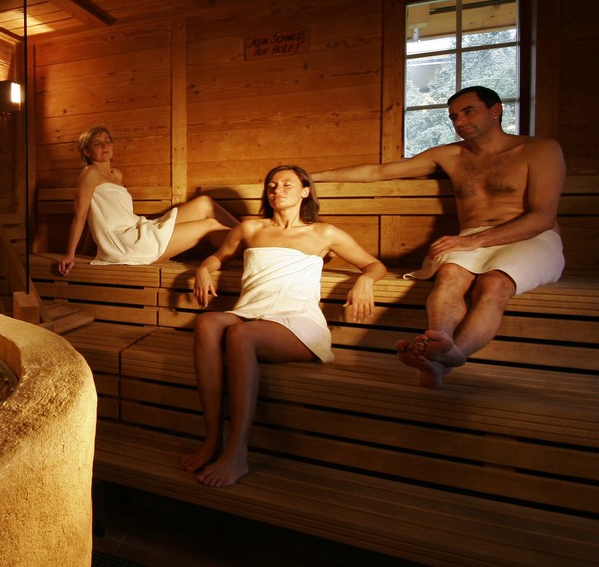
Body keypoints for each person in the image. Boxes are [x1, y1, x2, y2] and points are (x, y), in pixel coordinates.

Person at [310, 86, 565, 388]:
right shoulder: (450, 155)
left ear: (495, 110)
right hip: (471, 238)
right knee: (449, 275)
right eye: (453, 116)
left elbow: (542, 217)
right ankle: (439, 342)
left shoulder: (540, 149)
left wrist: (470, 242)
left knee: (494, 283)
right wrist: (311, 178)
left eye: (468, 111)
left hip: (532, 238)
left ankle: (454, 355)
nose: (459, 121)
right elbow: (379, 172)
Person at [180, 164, 386, 488]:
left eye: (287, 184)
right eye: (272, 185)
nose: (278, 190)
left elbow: (374, 264)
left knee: (240, 334)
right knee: (207, 322)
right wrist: (204, 269)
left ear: (305, 191)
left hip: (298, 322)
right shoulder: (250, 228)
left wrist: (365, 281)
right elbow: (219, 257)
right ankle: (212, 439)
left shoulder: (324, 233)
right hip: (252, 312)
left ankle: (237, 451)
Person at [57, 126, 237, 275]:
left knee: (204, 203)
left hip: (137, 228)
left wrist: (88, 248)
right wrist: (71, 254)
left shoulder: (117, 175)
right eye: (97, 143)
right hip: (125, 243)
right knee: (210, 225)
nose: (104, 146)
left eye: (107, 141)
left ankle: (251, 238)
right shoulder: (89, 174)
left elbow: (99, 214)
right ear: (86, 152)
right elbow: (81, 216)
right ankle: (250, 246)